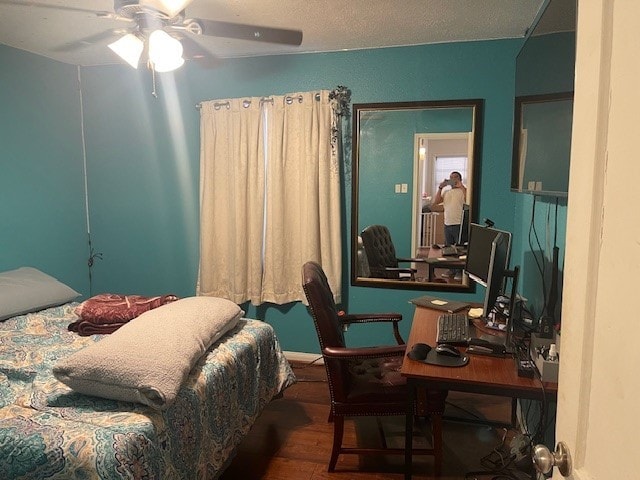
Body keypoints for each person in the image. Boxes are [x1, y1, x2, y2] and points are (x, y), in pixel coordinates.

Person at [432, 171, 467, 246]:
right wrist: (440, 188)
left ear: (460, 179)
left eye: (455, 177)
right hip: (447, 224)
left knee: (460, 247)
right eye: (451, 178)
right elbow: (436, 202)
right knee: (448, 248)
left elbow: (468, 200)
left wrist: (461, 186)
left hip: (459, 224)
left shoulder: (464, 190)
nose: (453, 179)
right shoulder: (446, 192)